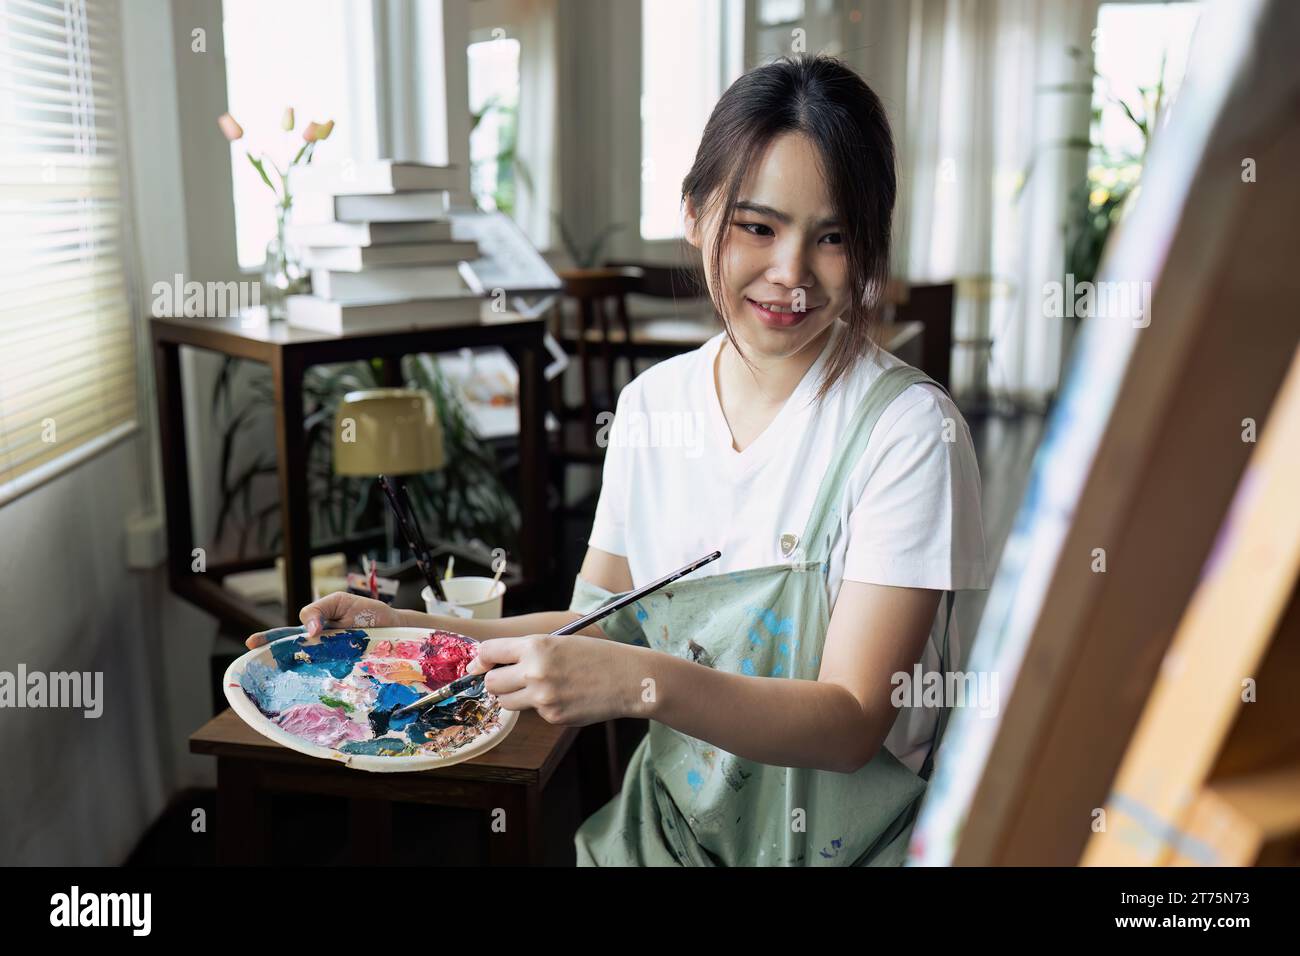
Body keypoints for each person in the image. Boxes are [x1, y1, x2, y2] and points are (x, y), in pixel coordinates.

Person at [247, 54, 989, 866]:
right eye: (757, 226)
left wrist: (640, 683)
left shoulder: (909, 433)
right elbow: (600, 621)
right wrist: (408, 630)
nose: (790, 273)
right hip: (670, 835)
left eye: (834, 236)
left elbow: (851, 723)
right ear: (697, 216)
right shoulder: (650, 409)